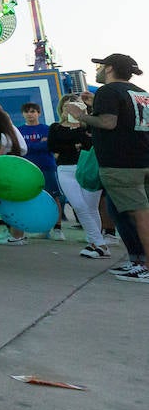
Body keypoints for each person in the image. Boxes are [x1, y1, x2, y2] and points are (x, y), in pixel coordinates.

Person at [68, 54, 149, 283]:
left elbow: (108, 122)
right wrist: (95, 106)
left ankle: (146, 265)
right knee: (120, 212)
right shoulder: (139, 92)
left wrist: (81, 115)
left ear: (110, 68)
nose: (98, 70)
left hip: (121, 164)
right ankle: (137, 260)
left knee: (139, 215)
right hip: (143, 159)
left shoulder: (108, 92)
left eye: (101, 66)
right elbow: (125, 120)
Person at [48, 94, 109, 258]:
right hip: (66, 169)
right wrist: (75, 143)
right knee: (79, 206)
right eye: (67, 105)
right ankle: (100, 244)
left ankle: (95, 243)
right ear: (62, 108)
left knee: (91, 207)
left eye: (75, 105)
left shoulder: (89, 127)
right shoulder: (55, 127)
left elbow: (92, 144)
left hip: (88, 168)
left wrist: (81, 129)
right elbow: (53, 146)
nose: (71, 108)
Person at [0, 102, 31, 244]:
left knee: (10, 205)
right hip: (14, 172)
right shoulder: (10, 133)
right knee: (14, 204)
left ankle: (16, 236)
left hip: (3, 174)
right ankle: (17, 234)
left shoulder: (0, 137)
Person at [18, 104, 64, 241]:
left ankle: (58, 228)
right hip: (27, 169)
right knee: (32, 198)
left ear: (39, 113)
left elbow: (47, 146)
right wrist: (37, 145)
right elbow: (20, 148)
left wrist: (29, 147)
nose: (29, 114)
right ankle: (42, 228)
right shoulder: (19, 130)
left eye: (33, 112)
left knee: (53, 197)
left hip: (47, 167)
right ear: (23, 114)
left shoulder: (47, 129)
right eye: (26, 112)